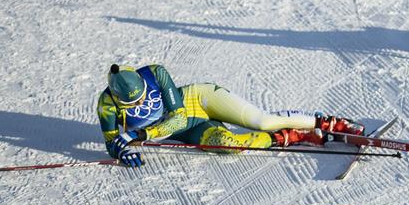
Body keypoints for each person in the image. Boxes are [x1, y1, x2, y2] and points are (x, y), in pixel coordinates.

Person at [97, 63, 364, 167]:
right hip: (191, 130)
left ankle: (329, 123)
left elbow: (176, 117)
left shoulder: (155, 73)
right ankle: (292, 136)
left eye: (144, 95)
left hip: (199, 100)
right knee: (230, 146)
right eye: (134, 103)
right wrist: (121, 151)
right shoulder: (107, 105)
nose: (142, 102)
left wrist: (139, 134)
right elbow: (112, 142)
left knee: (262, 120)